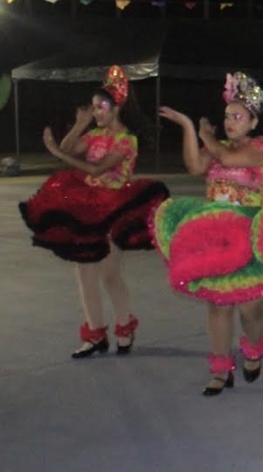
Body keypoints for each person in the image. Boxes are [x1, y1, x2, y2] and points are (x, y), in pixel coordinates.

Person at [154, 72, 263, 395]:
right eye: (227, 116)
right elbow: (195, 166)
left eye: (237, 117)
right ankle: (221, 368)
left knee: (250, 307)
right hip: (215, 235)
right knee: (218, 303)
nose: (229, 122)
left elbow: (226, 158)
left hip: (251, 236)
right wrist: (188, 128)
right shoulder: (218, 145)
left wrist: (206, 135)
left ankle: (253, 346)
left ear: (253, 122)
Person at [20, 66, 169, 358]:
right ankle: (95, 333)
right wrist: (80, 125)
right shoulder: (95, 134)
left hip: (113, 207)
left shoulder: (127, 139)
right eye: (94, 107)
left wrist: (56, 152)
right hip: (87, 206)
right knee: (84, 271)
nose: (97, 112)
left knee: (109, 273)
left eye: (101, 107)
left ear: (116, 109)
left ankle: (124, 328)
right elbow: (68, 148)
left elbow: (96, 169)